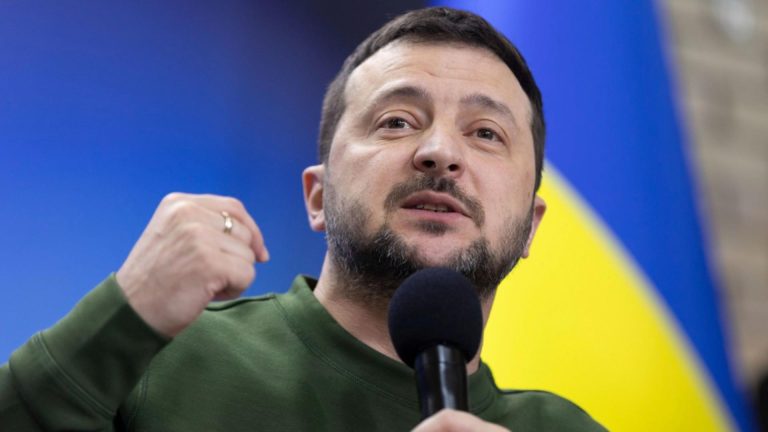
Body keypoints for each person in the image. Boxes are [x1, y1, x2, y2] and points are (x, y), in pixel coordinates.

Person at [1, 7, 606, 431]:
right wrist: (125, 312)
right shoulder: (164, 358)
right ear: (318, 197)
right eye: (397, 121)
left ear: (531, 227)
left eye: (486, 133)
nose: (441, 152)